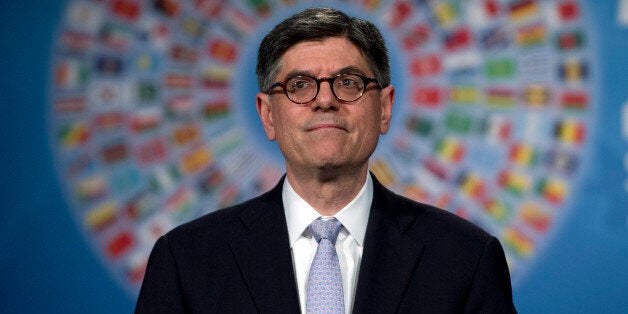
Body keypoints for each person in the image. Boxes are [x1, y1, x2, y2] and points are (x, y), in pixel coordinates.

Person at [135, 7, 516, 313]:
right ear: (268, 115)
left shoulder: (465, 257)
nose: (325, 99)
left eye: (348, 82)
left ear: (384, 108)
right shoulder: (187, 260)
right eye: (299, 85)